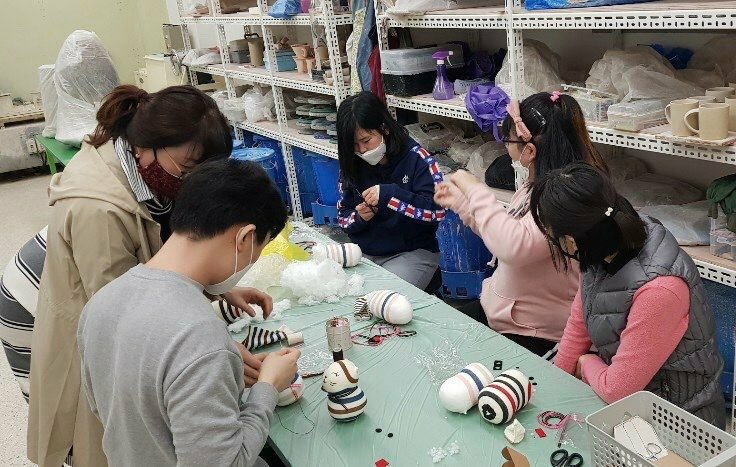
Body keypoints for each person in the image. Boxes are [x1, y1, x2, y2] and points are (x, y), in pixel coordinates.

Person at [26, 85, 268, 467]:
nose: (189, 182)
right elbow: (132, 318)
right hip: (53, 302)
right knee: (106, 435)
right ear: (146, 145)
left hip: (102, 303)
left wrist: (215, 288)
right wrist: (210, 353)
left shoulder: (149, 172)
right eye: (186, 170)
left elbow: (169, 261)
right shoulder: (99, 210)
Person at [78, 158, 299, 466]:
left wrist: (213, 371)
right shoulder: (201, 339)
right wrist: (268, 387)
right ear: (245, 238)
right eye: (258, 251)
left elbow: (106, 404)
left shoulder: (100, 302)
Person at [530, 163, 725, 428]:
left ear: (572, 240)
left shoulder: (660, 291)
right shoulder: (603, 245)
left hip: (679, 424)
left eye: (555, 238)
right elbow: (579, 324)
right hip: (634, 408)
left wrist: (586, 363)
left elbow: (617, 390)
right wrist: (555, 385)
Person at [434, 91, 607, 357]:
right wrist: (461, 204)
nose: (505, 145)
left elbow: (512, 245)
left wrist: (476, 189)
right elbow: (502, 230)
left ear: (530, 150)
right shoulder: (533, 186)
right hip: (507, 317)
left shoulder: (563, 199)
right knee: (438, 333)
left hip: (536, 333)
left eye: (508, 140)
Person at [336, 92, 446, 290]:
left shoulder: (418, 159)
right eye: (354, 145)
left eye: (366, 140)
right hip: (364, 252)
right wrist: (359, 217)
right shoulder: (352, 164)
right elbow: (343, 218)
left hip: (411, 252)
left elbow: (437, 212)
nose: (361, 150)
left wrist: (390, 195)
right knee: (340, 291)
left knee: (382, 297)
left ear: (384, 128)